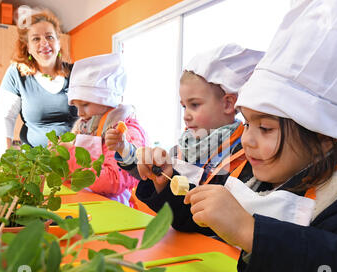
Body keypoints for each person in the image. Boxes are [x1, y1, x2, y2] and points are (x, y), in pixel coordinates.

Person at [184, 0, 337, 272]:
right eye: (248, 124)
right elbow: (203, 218)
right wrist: (167, 186)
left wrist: (253, 234)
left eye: (265, 128)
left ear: (323, 138)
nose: (247, 140)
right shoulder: (258, 175)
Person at [105, 44, 264, 236]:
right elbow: (148, 173)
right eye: (184, 106)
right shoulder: (186, 145)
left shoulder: (243, 152)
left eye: (194, 105)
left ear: (228, 104)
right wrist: (124, 149)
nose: (186, 116)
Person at [65, 53, 147, 206]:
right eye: (76, 106)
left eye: (85, 105)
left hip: (116, 211)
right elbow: (73, 177)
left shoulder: (124, 132)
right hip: (88, 202)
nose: (79, 113)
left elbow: (113, 181)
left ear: (106, 100)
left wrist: (71, 155)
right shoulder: (85, 127)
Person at [0, 7, 78, 157]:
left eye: (49, 37)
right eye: (36, 39)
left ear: (58, 42)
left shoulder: (76, 73)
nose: (44, 43)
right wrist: (4, 160)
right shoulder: (17, 74)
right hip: (35, 164)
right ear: (28, 47)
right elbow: (4, 119)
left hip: (73, 160)